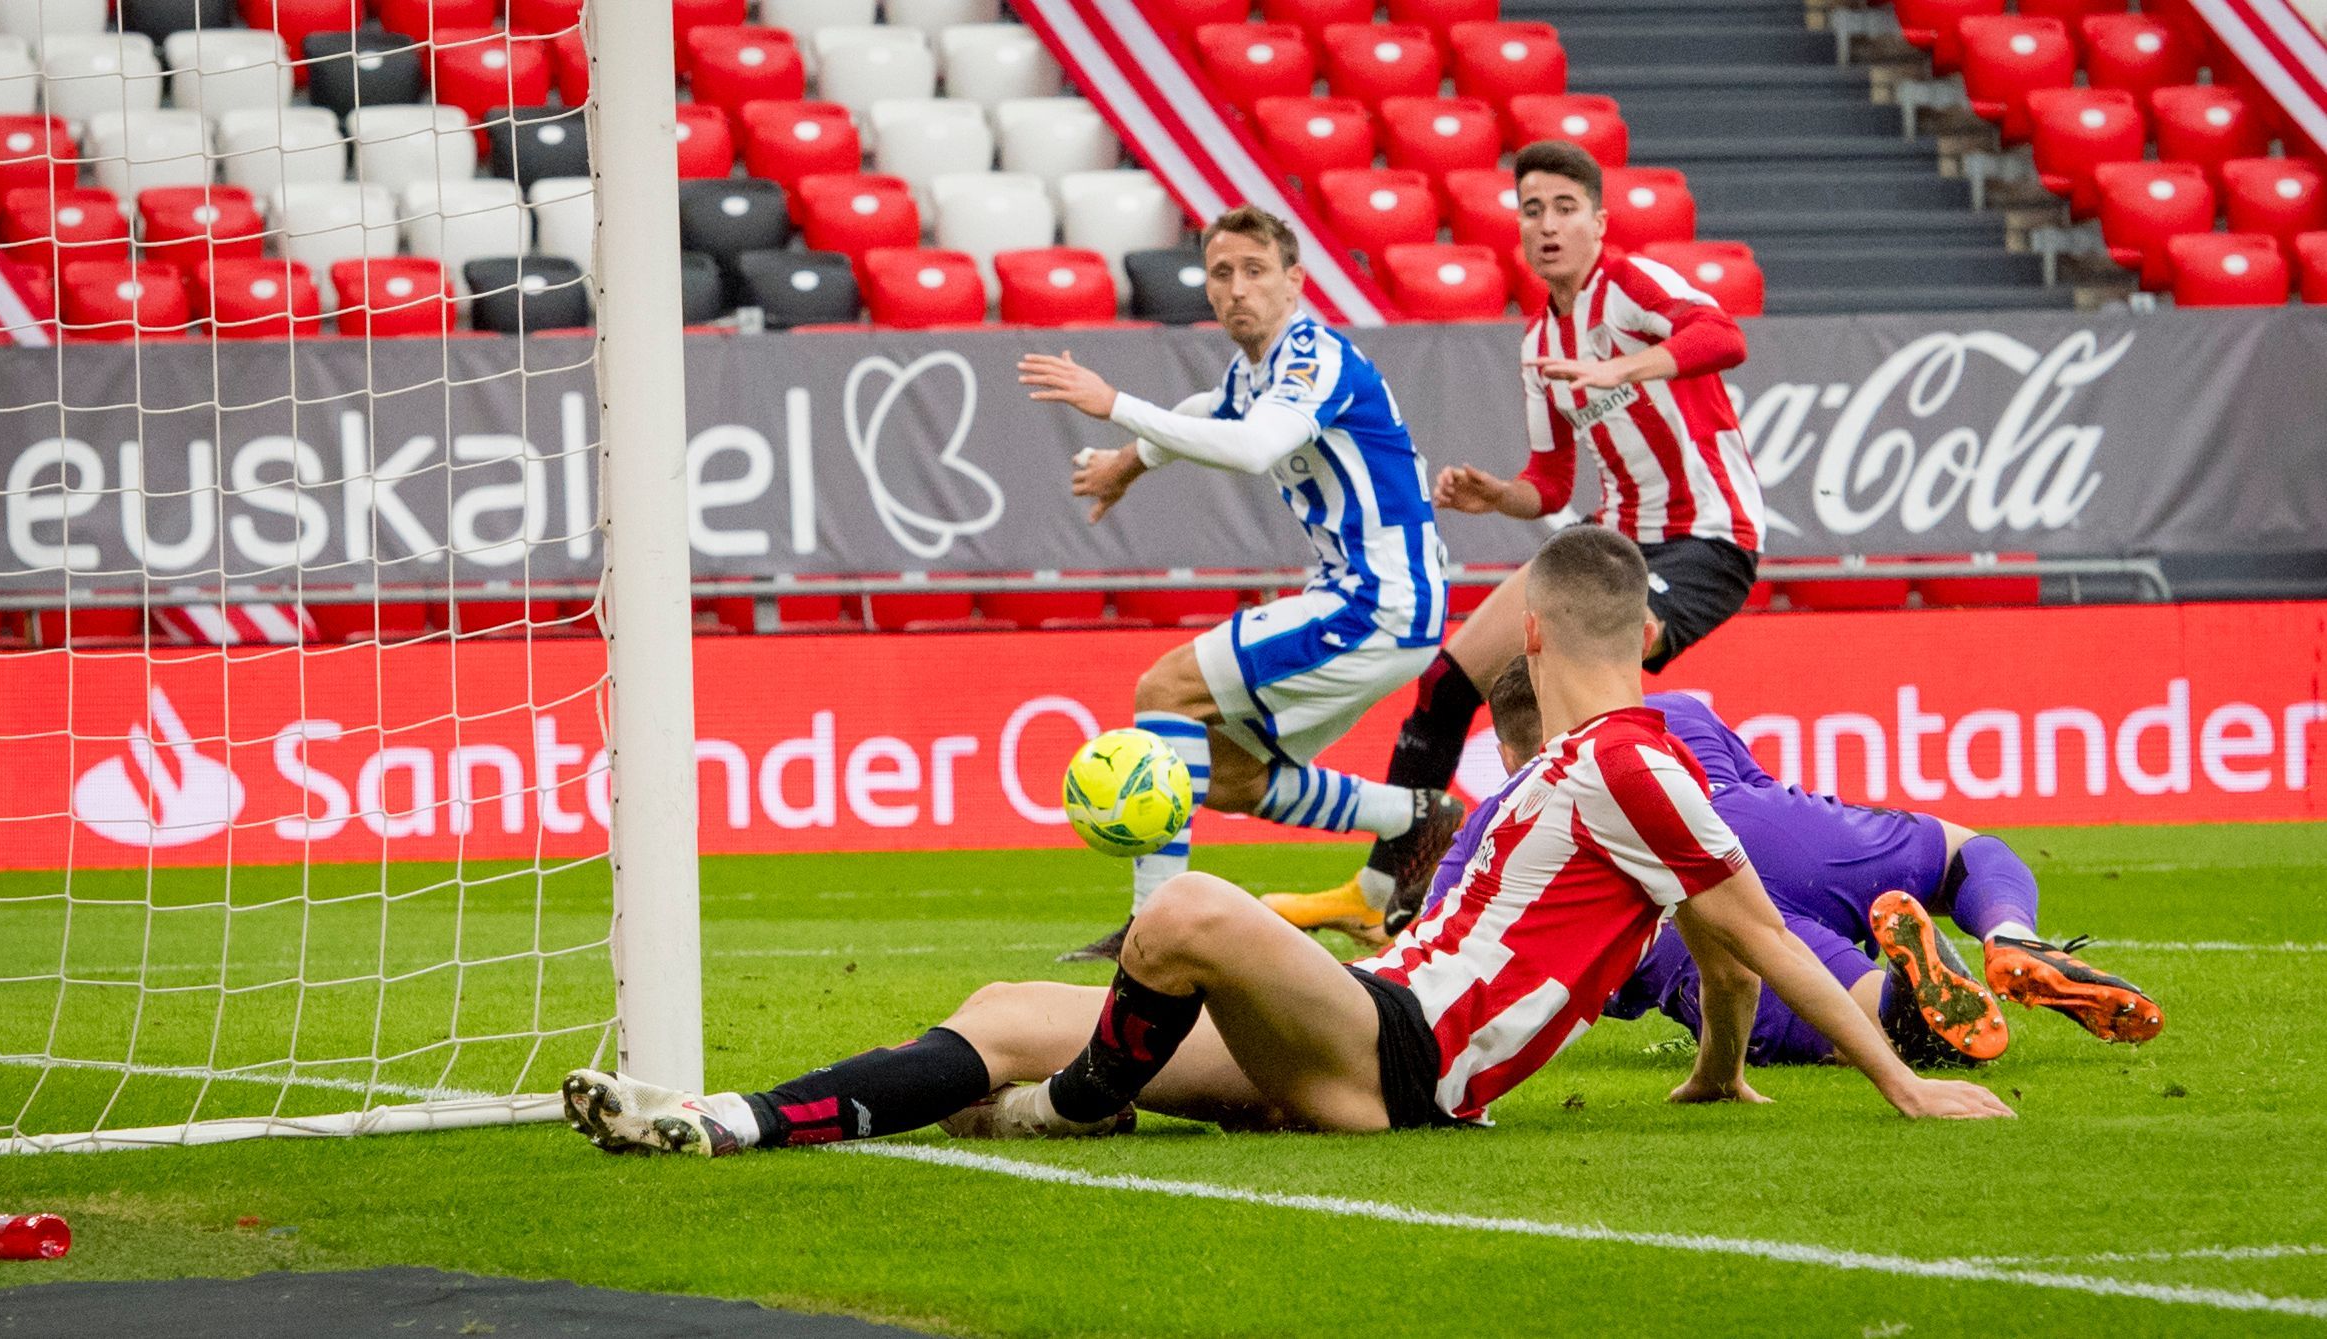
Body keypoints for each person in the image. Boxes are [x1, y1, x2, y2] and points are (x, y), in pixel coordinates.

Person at [560, 528, 2012, 1159]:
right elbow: (1712, 930)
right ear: (1640, 627)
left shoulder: (1635, 754)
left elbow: (1747, 921)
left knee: (1184, 907)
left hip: (1409, 1060)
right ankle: (728, 1118)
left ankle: (1081, 1107)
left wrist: (1898, 1084)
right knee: (1005, 1010)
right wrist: (1717, 1070)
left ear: (1531, 626)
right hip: (1361, 1023)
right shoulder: (1579, 766)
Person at [1271, 139, 1766, 942]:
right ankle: (1382, 892)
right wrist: (1497, 495)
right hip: (1609, 542)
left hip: (1706, 541)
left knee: (1577, 691)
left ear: (1597, 223)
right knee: (1445, 687)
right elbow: (1551, 481)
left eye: (1564, 208)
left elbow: (1722, 335)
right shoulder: (1539, 343)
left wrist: (1625, 368)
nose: (1547, 225)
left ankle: (1645, 886)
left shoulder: (1631, 287)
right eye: (1531, 209)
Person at [1017, 204, 1462, 962]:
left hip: (1376, 597)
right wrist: (1127, 463)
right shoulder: (1253, 368)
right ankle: (1414, 816)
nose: (1235, 288)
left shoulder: (1312, 355)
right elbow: (1208, 409)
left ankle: (1152, 922)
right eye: (1220, 273)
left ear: (1293, 282)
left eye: (1255, 271)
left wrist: (1116, 406)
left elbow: (1256, 446)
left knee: (1164, 692)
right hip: (1375, 600)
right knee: (1227, 774)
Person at [1407, 661, 2166, 1069]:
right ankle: (2009, 931)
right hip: (1779, 831)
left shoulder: (1507, 805)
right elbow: (1749, 777)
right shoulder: (1671, 709)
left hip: (1686, 920)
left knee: (1881, 1026)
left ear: (1507, 750)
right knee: (1969, 852)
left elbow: (1508, 960)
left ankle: (1913, 1001)